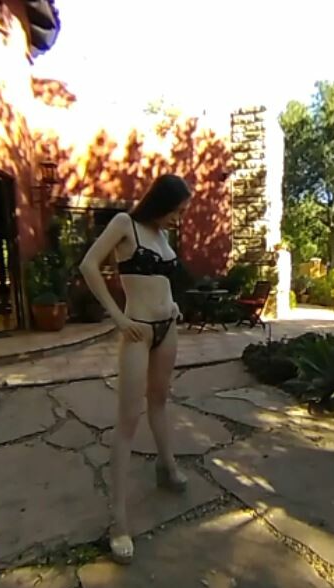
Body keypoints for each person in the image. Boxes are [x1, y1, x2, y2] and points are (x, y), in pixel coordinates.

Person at [78, 174, 191, 564]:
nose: (179, 218)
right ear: (162, 202)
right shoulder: (125, 223)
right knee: (128, 420)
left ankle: (166, 466)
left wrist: (172, 306)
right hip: (137, 331)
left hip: (167, 328)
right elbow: (89, 265)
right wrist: (117, 317)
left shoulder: (162, 236)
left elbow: (162, 282)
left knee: (160, 402)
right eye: (177, 210)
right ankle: (119, 520)